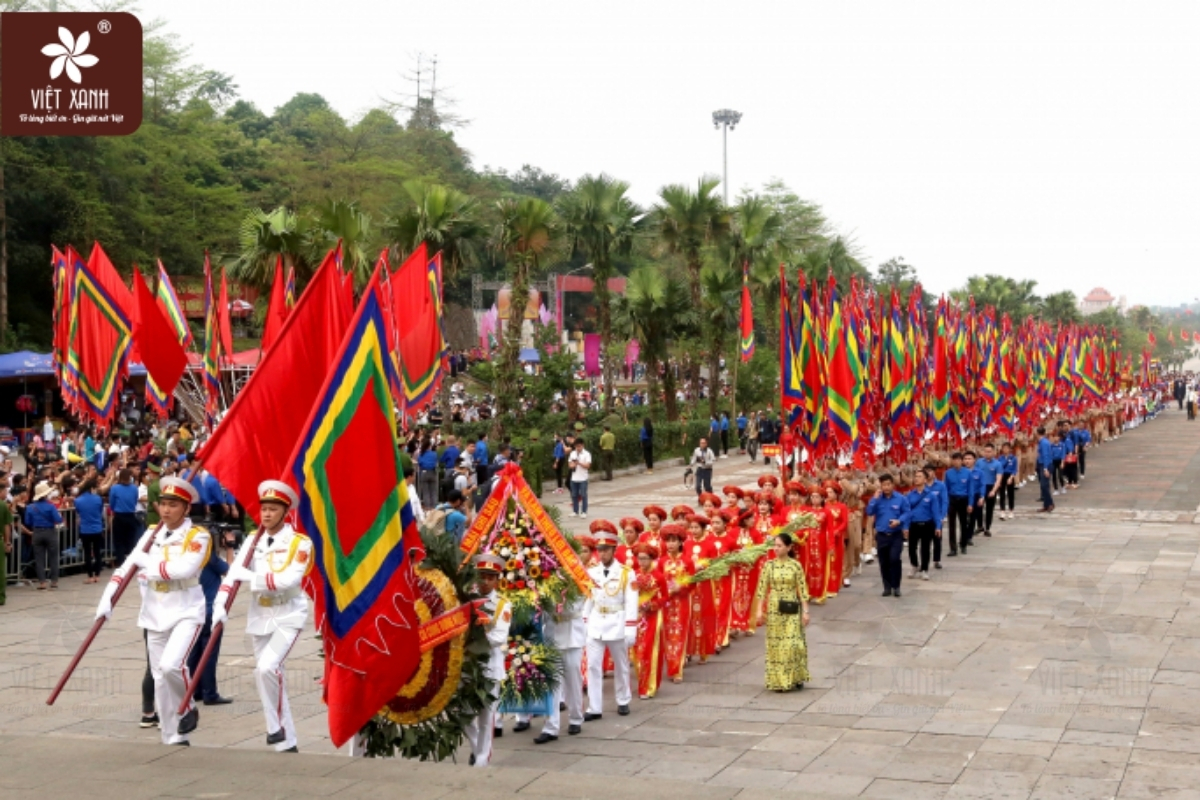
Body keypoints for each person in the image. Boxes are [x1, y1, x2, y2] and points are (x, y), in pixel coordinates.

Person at [96, 476, 209, 746]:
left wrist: (148, 562)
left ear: (186, 508)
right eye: (163, 504)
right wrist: (107, 598)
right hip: (154, 611)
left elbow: (183, 569)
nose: (166, 510)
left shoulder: (198, 536)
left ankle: (188, 705)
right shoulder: (150, 534)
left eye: (173, 505)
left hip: (185, 610)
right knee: (159, 677)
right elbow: (127, 567)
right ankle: (172, 735)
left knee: (172, 666)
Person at [214, 481, 311, 752]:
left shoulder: (299, 543)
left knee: (268, 668)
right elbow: (232, 576)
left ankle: (274, 727)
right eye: (263, 509)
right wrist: (220, 603)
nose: (266, 514)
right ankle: (286, 741)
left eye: (272, 509)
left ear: (285, 512)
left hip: (288, 614)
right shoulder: (252, 542)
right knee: (266, 675)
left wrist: (250, 577)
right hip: (260, 615)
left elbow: (287, 580)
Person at [582, 528, 638, 720]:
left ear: (614, 550)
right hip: (596, 623)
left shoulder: (626, 573)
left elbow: (631, 602)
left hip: (617, 623)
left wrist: (631, 628)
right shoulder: (592, 572)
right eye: (600, 549)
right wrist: (584, 622)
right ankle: (594, 707)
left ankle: (623, 700)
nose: (602, 553)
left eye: (606, 549)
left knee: (621, 666)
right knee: (593, 666)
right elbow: (589, 599)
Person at [464, 553, 512, 767]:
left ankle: (482, 759)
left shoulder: (503, 605)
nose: (485, 581)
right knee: (461, 712)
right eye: (482, 576)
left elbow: (498, 637)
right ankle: (477, 747)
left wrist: (476, 634)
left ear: (496, 579)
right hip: (467, 664)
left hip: (490, 666)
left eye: (490, 577)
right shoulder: (466, 598)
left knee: (486, 716)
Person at [751, 533, 810, 691]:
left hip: (791, 606)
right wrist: (758, 611)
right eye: (775, 545)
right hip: (774, 608)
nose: (776, 548)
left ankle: (795, 676)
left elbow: (802, 589)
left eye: (779, 546)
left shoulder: (795, 565)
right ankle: (779, 680)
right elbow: (762, 590)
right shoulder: (769, 565)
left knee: (793, 643)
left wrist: (805, 611)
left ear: (789, 547)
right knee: (776, 644)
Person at [534, 582, 585, 744]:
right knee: (552, 683)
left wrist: (557, 595)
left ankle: (576, 718)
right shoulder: (545, 580)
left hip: (571, 636)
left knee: (573, 679)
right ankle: (550, 727)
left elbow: (573, 606)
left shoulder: (576, 580)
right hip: (551, 635)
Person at [186, 539, 232, 708]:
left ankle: (194, 689)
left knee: (194, 653)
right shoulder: (210, 558)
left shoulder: (190, 557)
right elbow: (231, 573)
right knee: (209, 654)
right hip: (211, 611)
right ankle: (209, 693)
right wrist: (229, 549)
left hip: (194, 610)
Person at [657, 526, 692, 684]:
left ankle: (677, 670)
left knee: (679, 634)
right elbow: (656, 581)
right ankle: (670, 665)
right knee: (666, 635)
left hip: (681, 602)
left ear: (680, 543)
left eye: (673, 541)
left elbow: (692, 582)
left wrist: (681, 587)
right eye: (667, 541)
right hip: (666, 603)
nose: (670, 544)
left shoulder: (687, 561)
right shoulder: (661, 561)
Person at [632, 543, 667, 699]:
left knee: (649, 650)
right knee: (637, 651)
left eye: (645, 559)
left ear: (651, 559)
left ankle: (649, 686)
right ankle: (642, 681)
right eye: (639, 558)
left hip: (652, 617)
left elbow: (666, 598)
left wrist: (651, 605)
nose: (642, 562)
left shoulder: (659, 576)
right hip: (637, 617)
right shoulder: (634, 575)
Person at [866, 474, 910, 598]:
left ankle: (896, 586)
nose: (886, 487)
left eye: (888, 484)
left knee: (895, 559)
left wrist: (899, 521)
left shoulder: (901, 498)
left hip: (896, 535)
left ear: (893, 485)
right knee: (884, 562)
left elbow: (907, 512)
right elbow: (869, 511)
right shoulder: (877, 499)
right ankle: (887, 586)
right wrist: (874, 499)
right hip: (881, 535)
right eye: (884, 485)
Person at [904, 470, 942, 581]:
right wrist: (905, 527)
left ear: (925, 480)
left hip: (927, 524)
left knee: (925, 548)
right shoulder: (910, 495)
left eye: (919, 477)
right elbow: (907, 512)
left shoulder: (931, 495)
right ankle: (914, 565)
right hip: (913, 524)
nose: (916, 479)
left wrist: (938, 526)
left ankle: (924, 569)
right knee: (911, 548)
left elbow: (936, 512)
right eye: (915, 476)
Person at [25, 481, 63, 590]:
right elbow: (58, 519)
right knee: (53, 557)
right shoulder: (50, 506)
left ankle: (42, 582)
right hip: (50, 531)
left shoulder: (30, 507)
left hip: (37, 532)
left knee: (39, 558)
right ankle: (54, 581)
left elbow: (27, 521)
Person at [74, 478, 105, 584]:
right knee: (97, 552)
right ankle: (97, 575)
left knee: (87, 553)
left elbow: (78, 512)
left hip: (85, 529)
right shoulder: (98, 499)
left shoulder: (78, 500)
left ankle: (90, 576)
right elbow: (100, 511)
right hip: (97, 528)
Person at [109, 468, 142, 563]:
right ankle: (130, 561)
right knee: (130, 540)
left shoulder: (114, 488)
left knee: (119, 541)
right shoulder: (134, 488)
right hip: (131, 515)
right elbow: (135, 501)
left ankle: (121, 561)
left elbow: (112, 503)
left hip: (119, 516)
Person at [976, 444, 1003, 537]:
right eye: (985, 451)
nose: (987, 453)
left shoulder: (997, 464)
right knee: (978, 507)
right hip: (980, 487)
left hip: (991, 486)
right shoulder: (979, 462)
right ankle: (980, 526)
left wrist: (994, 490)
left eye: (989, 451)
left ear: (993, 452)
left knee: (989, 509)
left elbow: (998, 478)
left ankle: (987, 528)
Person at [568, 439, 592, 518]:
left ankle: (584, 511)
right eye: (576, 446)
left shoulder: (587, 454)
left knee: (583, 495)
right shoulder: (572, 453)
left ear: (583, 445)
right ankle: (575, 511)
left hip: (583, 478)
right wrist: (573, 464)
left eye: (579, 446)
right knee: (574, 495)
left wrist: (579, 463)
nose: (578, 448)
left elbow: (588, 466)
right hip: (574, 478)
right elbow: (570, 465)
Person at [1036, 426, 1055, 513]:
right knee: (1043, 486)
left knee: (1044, 485)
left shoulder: (1043, 443)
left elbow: (1046, 456)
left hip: (1045, 465)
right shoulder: (1042, 442)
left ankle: (1050, 503)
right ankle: (1046, 505)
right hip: (1041, 464)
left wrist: (1045, 468)